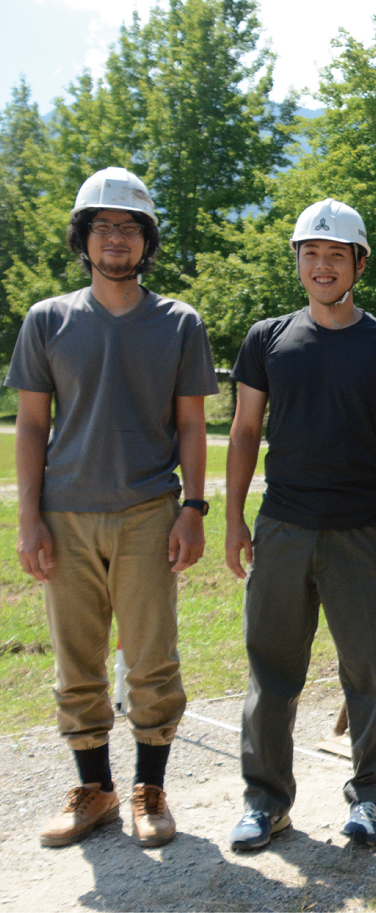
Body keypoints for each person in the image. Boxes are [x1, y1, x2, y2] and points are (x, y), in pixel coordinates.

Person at [6, 167, 217, 848]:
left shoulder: (179, 322)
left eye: (129, 227)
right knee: (77, 661)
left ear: (147, 239)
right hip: (65, 514)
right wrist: (28, 516)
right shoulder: (49, 319)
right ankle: (93, 790)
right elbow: (32, 425)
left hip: (149, 511)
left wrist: (194, 506)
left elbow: (192, 424)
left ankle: (148, 789)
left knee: (153, 658)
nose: (116, 238)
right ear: (84, 237)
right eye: (103, 226)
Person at [224, 198, 376, 852]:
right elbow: (246, 429)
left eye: (336, 254)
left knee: (369, 671)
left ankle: (370, 797)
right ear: (298, 262)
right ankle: (265, 802)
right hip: (282, 525)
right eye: (311, 253)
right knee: (271, 671)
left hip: (363, 530)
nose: (322, 264)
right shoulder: (267, 338)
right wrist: (232, 516)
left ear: (357, 264)